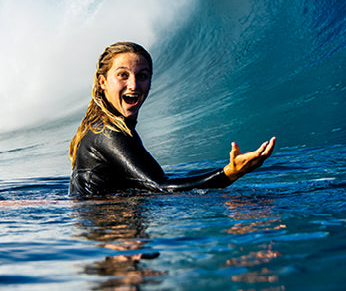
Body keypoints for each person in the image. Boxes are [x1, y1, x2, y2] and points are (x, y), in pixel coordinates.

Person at [69, 41, 276, 197]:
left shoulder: (107, 129)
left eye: (142, 76)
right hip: (111, 232)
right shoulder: (107, 134)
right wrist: (229, 173)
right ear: (102, 82)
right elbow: (160, 186)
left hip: (105, 230)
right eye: (123, 75)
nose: (133, 85)